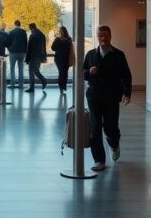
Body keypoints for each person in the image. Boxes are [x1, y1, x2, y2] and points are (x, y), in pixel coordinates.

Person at [83, 25, 132, 172]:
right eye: (99, 35)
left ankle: (114, 143)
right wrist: (89, 72)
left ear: (110, 36)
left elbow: (126, 76)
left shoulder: (118, 55)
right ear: (97, 37)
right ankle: (99, 160)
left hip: (111, 97)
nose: (102, 38)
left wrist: (127, 93)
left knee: (110, 127)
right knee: (95, 127)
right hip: (94, 96)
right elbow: (83, 72)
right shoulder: (91, 54)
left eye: (105, 35)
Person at [25, 23, 48, 93]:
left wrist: (27, 58)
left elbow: (29, 48)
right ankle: (43, 81)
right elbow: (44, 46)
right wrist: (44, 56)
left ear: (31, 28)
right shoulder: (41, 34)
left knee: (32, 72)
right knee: (36, 70)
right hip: (39, 56)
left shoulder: (32, 35)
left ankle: (33, 87)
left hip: (33, 56)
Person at [51, 26, 73, 96]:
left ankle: (64, 86)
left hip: (66, 58)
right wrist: (58, 42)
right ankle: (61, 89)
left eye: (61, 31)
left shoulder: (69, 39)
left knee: (65, 73)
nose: (60, 32)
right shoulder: (57, 39)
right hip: (58, 59)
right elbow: (53, 48)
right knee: (61, 73)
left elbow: (71, 49)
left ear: (64, 31)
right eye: (59, 31)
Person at [7, 20, 27, 89]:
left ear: (14, 24)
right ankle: (21, 85)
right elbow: (26, 42)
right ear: (20, 24)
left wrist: (10, 49)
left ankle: (12, 84)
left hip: (13, 52)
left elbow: (8, 42)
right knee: (21, 68)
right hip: (22, 53)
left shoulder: (11, 32)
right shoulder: (24, 32)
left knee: (12, 68)